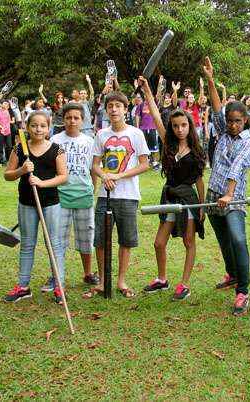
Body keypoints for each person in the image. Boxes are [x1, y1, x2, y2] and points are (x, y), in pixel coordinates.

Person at [139, 76, 206, 301]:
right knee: (159, 243)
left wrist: (202, 208)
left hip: (188, 199)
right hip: (169, 196)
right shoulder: (168, 143)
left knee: (189, 241)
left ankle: (184, 284)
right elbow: (156, 114)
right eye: (176, 126)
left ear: (190, 125)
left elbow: (199, 181)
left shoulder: (197, 151)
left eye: (184, 125)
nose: (179, 129)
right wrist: (147, 89)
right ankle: (162, 279)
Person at [202, 56, 250, 316]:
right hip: (214, 195)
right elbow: (215, 107)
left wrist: (229, 194)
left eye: (238, 121)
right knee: (224, 240)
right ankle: (233, 274)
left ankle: (243, 290)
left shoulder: (248, 141)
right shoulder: (222, 131)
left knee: (237, 238)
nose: (233, 125)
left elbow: (237, 167)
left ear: (245, 120)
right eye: (230, 120)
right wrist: (211, 80)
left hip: (233, 198)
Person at [85, 91, 150, 299]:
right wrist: (104, 176)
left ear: (125, 109)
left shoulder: (136, 134)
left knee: (126, 239)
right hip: (105, 195)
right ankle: (103, 281)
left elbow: (144, 164)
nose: (113, 109)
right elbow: (95, 165)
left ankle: (121, 280)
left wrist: (120, 175)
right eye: (110, 105)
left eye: (118, 106)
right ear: (106, 109)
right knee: (101, 240)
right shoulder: (101, 135)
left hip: (129, 195)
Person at [2, 111, 68, 304]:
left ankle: (59, 287)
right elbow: (7, 175)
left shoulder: (57, 149)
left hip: (51, 203)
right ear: (28, 128)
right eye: (34, 125)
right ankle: (23, 287)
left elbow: (63, 177)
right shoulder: (19, 149)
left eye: (42, 126)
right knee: (27, 244)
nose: (38, 129)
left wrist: (41, 183)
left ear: (48, 128)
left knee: (54, 244)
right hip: (26, 203)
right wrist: (22, 170)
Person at [48, 103, 99, 292]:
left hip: (83, 195)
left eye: (76, 118)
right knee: (58, 239)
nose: (72, 121)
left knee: (86, 238)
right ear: (63, 119)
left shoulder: (89, 141)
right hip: (60, 196)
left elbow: (93, 168)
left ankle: (87, 273)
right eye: (68, 117)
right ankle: (56, 277)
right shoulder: (55, 140)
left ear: (82, 120)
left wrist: (93, 188)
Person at [0, 100, 13, 165]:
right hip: (0, 132)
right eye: (5, 103)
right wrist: (2, 128)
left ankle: (9, 161)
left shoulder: (7, 112)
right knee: (0, 147)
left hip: (8, 132)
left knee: (9, 146)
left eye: (7, 104)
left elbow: (9, 121)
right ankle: (0, 161)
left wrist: (7, 128)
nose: (7, 105)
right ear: (1, 105)